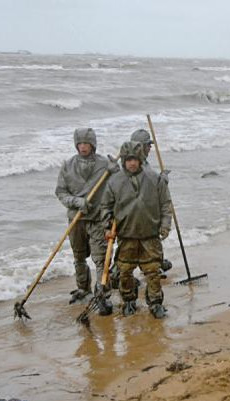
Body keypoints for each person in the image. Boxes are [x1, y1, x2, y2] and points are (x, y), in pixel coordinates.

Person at [101, 141, 172, 319]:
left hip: (150, 236)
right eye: (128, 159)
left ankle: (155, 303)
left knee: (153, 272)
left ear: (140, 159)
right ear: (124, 160)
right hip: (126, 236)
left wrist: (165, 225)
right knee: (124, 272)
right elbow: (105, 207)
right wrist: (108, 224)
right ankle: (129, 301)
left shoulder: (155, 179)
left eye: (135, 159)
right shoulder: (114, 182)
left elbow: (165, 204)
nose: (132, 163)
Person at [55, 127, 118, 314]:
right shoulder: (68, 165)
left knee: (101, 259)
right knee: (79, 256)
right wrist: (76, 202)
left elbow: (119, 185)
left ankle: (102, 293)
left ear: (93, 144)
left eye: (86, 143)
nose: (83, 147)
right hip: (76, 218)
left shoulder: (105, 165)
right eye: (80, 143)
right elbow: (60, 192)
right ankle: (83, 288)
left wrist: (117, 171)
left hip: (99, 218)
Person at [130, 128, 173, 276]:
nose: (150, 148)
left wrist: (161, 180)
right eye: (148, 145)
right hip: (135, 216)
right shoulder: (134, 165)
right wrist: (162, 180)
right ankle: (116, 275)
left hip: (146, 214)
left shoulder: (144, 163)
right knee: (131, 251)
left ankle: (155, 265)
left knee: (150, 244)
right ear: (141, 146)